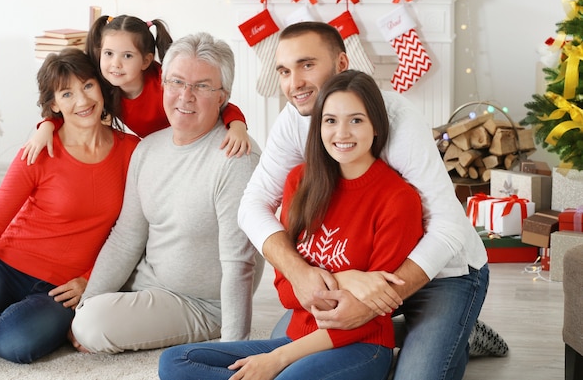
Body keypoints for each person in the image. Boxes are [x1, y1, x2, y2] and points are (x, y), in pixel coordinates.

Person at [238, 21, 490, 379]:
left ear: (342, 64)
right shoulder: (294, 121)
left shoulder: (398, 119)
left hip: (441, 273)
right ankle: (403, 331)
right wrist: (302, 273)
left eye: (307, 65)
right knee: (290, 359)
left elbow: (447, 228)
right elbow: (252, 204)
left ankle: (453, 329)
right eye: (284, 70)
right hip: (357, 270)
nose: (295, 83)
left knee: (416, 374)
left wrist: (371, 306)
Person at [158, 70, 424, 380]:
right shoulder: (300, 182)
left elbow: (373, 309)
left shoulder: (398, 199)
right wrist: (347, 278)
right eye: (330, 121)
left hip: (360, 346)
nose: (342, 133)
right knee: (177, 362)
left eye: (356, 120)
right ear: (318, 126)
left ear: (376, 126)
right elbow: (287, 291)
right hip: (298, 337)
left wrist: (277, 359)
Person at [70, 32, 264, 354]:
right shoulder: (147, 149)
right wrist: (88, 300)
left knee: (91, 325)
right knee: (74, 307)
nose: (185, 96)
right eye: (176, 82)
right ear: (162, 84)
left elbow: (239, 263)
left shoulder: (235, 158)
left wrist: (234, 349)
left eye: (202, 86)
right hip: (149, 281)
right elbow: (126, 237)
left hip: (201, 303)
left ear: (222, 97)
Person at [0, 48, 140, 364]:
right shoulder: (39, 148)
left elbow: (133, 232)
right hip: (6, 264)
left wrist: (91, 280)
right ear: (54, 104)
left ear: (101, 86)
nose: (82, 102)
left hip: (63, 286)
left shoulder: (131, 152)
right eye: (67, 93)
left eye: (87, 86)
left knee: (15, 343)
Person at [22, 14, 251, 164]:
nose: (115, 64)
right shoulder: (106, 87)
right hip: (160, 151)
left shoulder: (166, 81)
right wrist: (46, 126)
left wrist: (238, 126)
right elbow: (76, 108)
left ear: (145, 61)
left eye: (127, 56)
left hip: (193, 141)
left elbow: (219, 102)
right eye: (109, 54)